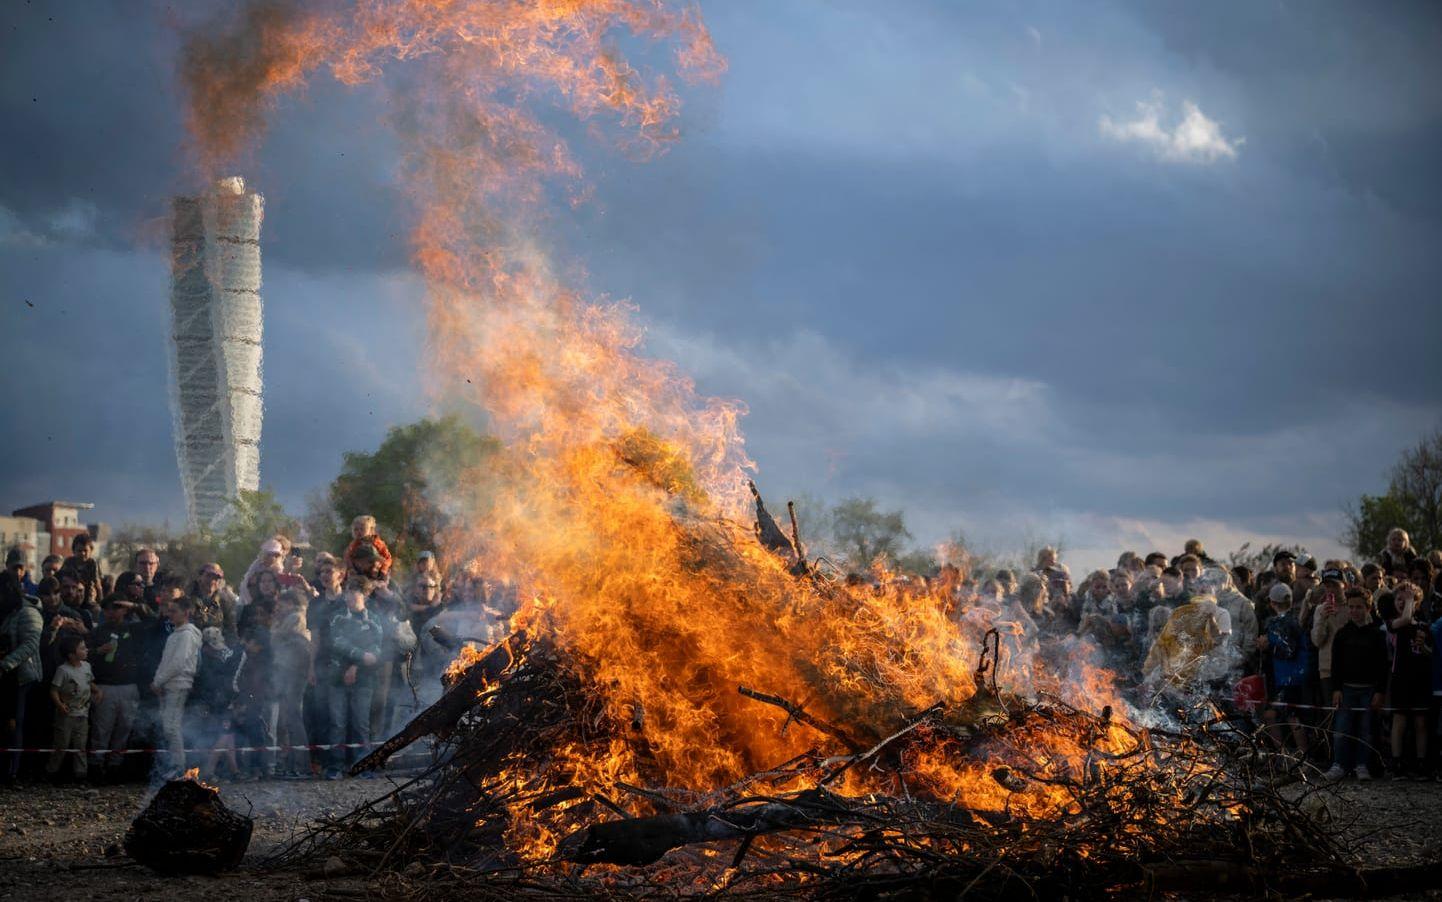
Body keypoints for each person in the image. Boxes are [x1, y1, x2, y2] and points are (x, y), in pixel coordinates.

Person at [1322, 588, 1386, 781]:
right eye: (1351, 607)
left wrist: (1380, 691)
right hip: (1347, 690)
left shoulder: (1376, 634)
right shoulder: (1342, 634)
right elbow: (1336, 665)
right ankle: (1339, 764)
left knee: (1365, 731)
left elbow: (1383, 665)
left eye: (1359, 607)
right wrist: (1336, 689)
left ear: (1368, 608)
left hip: (1368, 690)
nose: (1354, 611)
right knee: (1341, 730)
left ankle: (1362, 765)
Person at [326, 587, 384, 778]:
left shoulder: (374, 619)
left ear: (364, 595)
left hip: (365, 678)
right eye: (348, 594)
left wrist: (356, 667)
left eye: (355, 593)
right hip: (337, 677)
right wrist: (359, 656)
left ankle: (362, 766)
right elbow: (337, 642)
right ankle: (335, 766)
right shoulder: (338, 617)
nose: (351, 597)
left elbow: (376, 648)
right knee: (337, 723)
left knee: (361, 724)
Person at [1378, 581, 1433, 779]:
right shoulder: (1393, 623)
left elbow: (1430, 652)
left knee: (1421, 722)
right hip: (1400, 678)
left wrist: (1424, 646)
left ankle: (1420, 763)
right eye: (1399, 598)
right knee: (1399, 720)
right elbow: (1406, 618)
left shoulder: (1424, 626)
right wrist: (1409, 600)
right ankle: (1396, 762)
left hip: (1420, 680)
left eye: (1408, 599)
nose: (1403, 601)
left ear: (1418, 603)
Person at [88, 597, 142, 780]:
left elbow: (153, 620)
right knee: (101, 729)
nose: (112, 612)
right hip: (105, 686)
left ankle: (115, 767)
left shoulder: (134, 629)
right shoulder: (97, 632)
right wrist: (98, 651)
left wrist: (135, 606)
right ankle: (96, 766)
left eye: (117, 608)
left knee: (124, 728)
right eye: (108, 609)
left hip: (129, 685)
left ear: (124, 610)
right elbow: (83, 655)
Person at [150, 595, 202, 778]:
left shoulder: (187, 635)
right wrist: (158, 681)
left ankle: (178, 766)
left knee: (172, 726)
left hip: (178, 684)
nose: (169, 615)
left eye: (174, 611)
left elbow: (178, 663)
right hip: (169, 683)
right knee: (168, 726)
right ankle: (175, 764)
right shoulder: (176, 634)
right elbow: (167, 661)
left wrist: (158, 681)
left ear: (186, 613)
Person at [0, 571, 43, 785]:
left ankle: (14, 772)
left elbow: (30, 644)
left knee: (17, 727)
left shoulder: (28, 612)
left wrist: (5, 664)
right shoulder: (8, 612)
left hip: (22, 678)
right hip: (7, 678)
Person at [1259, 583, 1309, 755]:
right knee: (1277, 715)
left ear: (1272, 602)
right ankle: (1287, 757)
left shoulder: (1282, 622)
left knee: (1291, 716)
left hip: (1288, 678)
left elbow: (1288, 650)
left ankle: (1299, 757)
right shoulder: (1295, 619)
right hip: (1288, 677)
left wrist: (1266, 646)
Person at [46, 634, 98, 782]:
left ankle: (81, 774)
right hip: (66, 714)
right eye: (82, 648)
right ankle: (52, 772)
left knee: (80, 746)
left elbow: (89, 682)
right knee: (61, 745)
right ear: (71, 655)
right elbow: (53, 690)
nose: (86, 650)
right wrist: (60, 705)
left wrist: (97, 691)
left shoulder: (87, 667)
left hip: (83, 713)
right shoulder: (63, 670)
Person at [272, 589, 313, 778]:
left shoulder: (295, 617)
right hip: (288, 672)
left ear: (291, 602)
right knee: (289, 719)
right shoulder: (292, 618)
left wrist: (275, 627)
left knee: (294, 718)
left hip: (294, 673)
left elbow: (276, 637)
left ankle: (301, 765)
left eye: (283, 603)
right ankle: (293, 763)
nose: (280, 606)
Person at [190, 563, 238, 642]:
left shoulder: (224, 602)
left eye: (216, 578)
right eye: (208, 576)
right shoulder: (188, 597)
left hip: (216, 646)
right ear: (200, 577)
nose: (212, 581)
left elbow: (231, 629)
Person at [346, 515, 393, 581]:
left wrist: (383, 569)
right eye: (356, 529)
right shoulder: (355, 543)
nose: (359, 532)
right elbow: (348, 556)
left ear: (371, 530)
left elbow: (388, 558)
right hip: (360, 569)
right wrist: (351, 568)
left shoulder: (377, 543)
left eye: (362, 529)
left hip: (377, 570)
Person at [62, 533, 103, 606]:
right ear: (74, 551)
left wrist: (101, 601)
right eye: (79, 551)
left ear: (91, 551)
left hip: (87, 592)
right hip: (72, 591)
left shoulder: (92, 564)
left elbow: (97, 583)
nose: (83, 553)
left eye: (85, 550)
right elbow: (62, 577)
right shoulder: (69, 562)